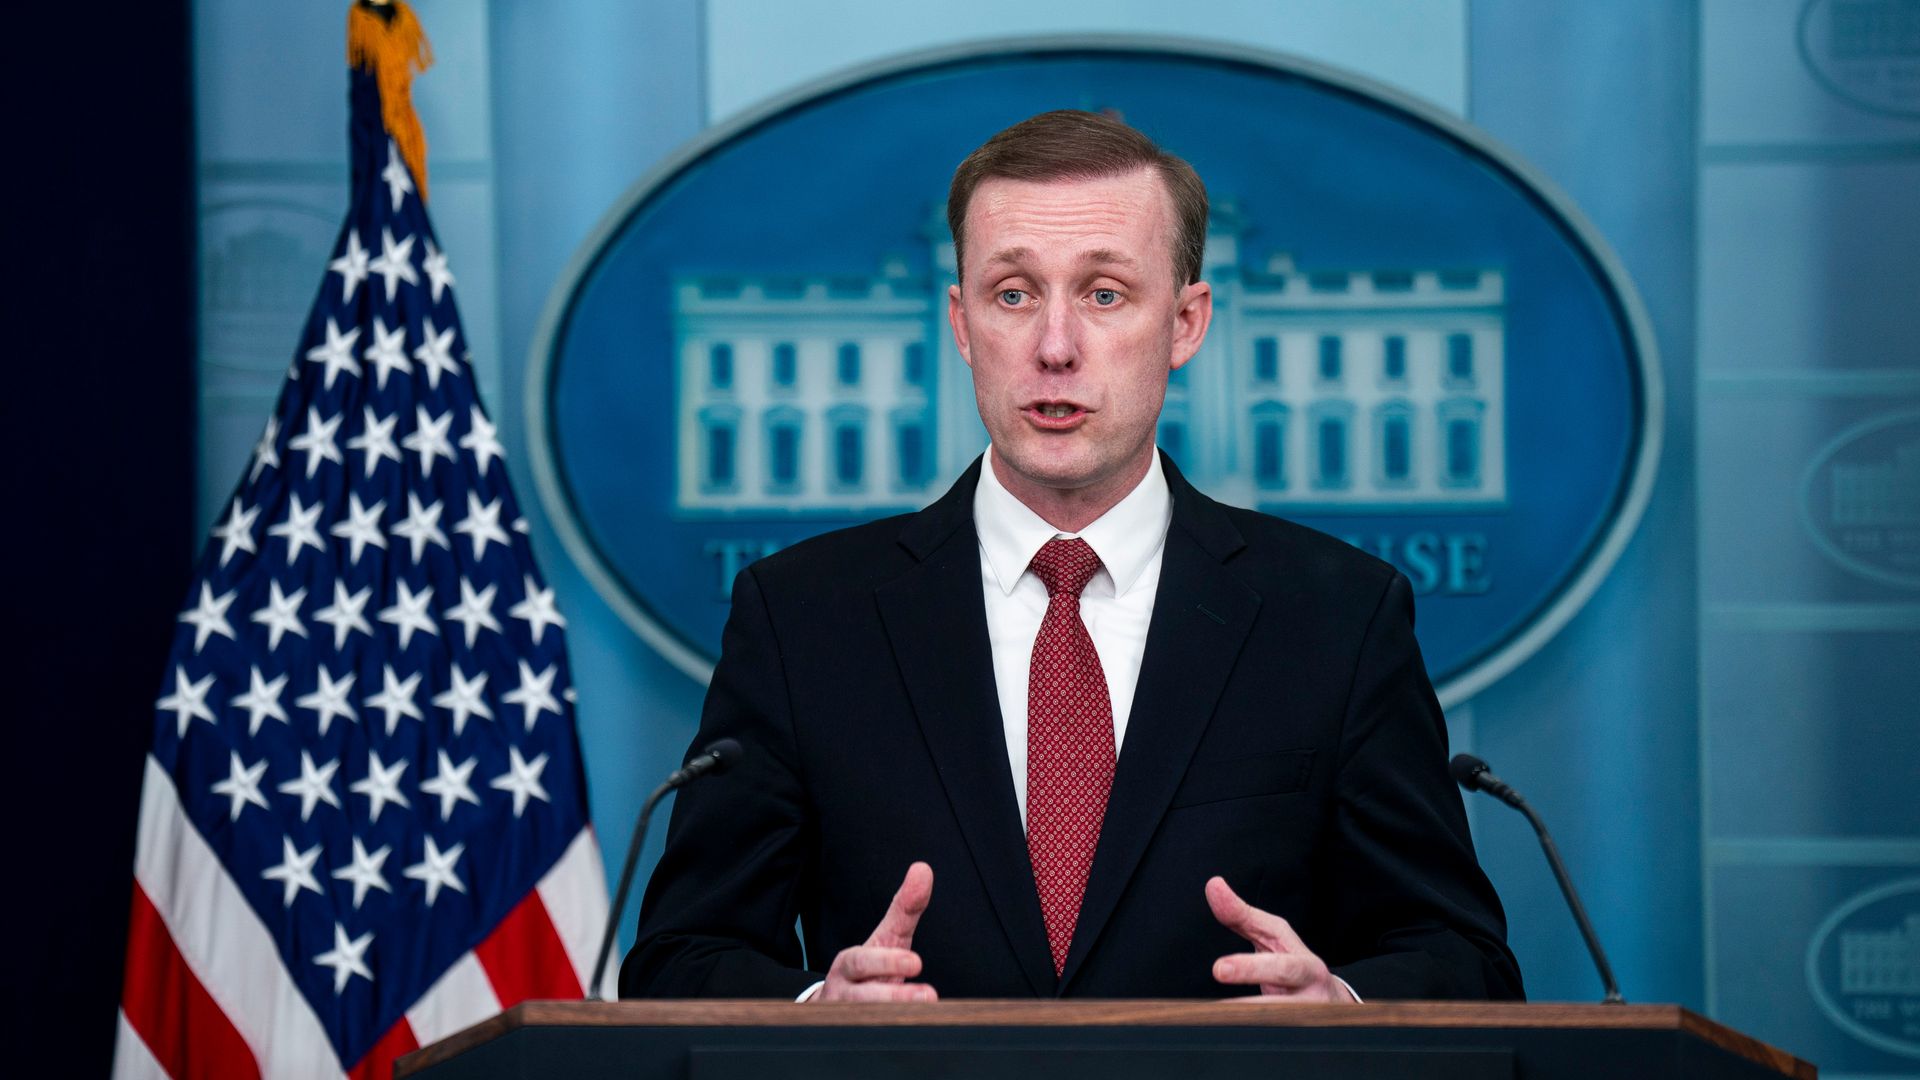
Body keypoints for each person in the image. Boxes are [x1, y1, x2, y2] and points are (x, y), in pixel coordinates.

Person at [621, 109, 1522, 1003]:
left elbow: (1464, 960)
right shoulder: (803, 618)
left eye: (1104, 294)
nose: (1055, 348)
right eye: (1013, 294)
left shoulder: (1337, 617)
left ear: (1186, 323)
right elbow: (678, 961)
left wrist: (1344, 1012)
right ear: (963, 323)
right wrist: (819, 1015)